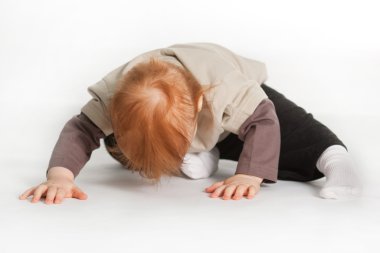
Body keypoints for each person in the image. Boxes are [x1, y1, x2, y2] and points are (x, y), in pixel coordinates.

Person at [19, 42, 362, 204]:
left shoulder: (230, 90)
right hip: (199, 127)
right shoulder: (112, 98)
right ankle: (199, 155)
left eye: (184, 140)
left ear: (198, 106)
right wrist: (60, 176)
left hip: (242, 114)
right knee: (115, 145)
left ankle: (334, 158)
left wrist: (247, 174)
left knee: (293, 132)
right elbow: (81, 129)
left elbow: (264, 120)